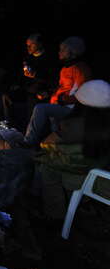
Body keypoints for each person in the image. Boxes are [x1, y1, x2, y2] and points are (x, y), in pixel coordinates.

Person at [36, 80, 110, 221]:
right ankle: (84, 205)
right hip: (103, 174)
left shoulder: (72, 126)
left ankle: (55, 215)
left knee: (47, 167)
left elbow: (45, 144)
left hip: (84, 178)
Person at [24, 36, 92, 146]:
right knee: (53, 126)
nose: (59, 52)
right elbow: (62, 88)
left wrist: (63, 99)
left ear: (72, 52)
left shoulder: (80, 68)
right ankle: (49, 147)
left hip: (71, 109)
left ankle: (28, 142)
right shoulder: (65, 68)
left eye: (63, 50)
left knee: (40, 109)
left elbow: (84, 92)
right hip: (60, 105)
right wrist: (50, 94)